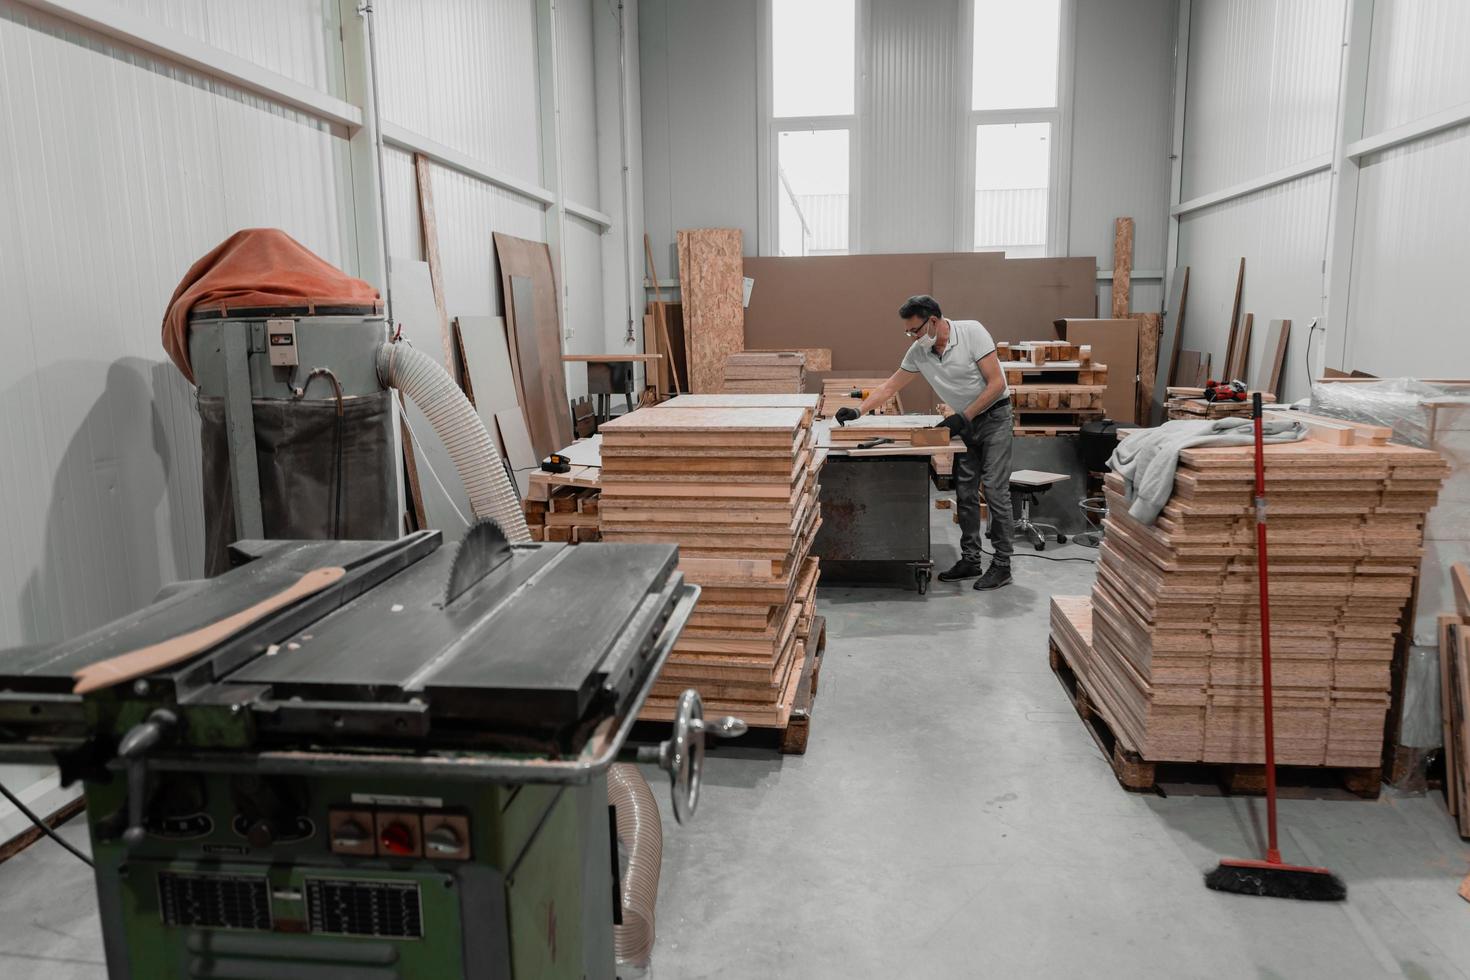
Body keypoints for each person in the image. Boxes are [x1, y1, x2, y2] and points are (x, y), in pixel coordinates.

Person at [834, 295, 1015, 590]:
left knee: (995, 490)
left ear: (932, 321)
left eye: (915, 330)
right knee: (966, 493)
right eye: (908, 331)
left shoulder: (972, 333)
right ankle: (971, 559)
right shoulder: (920, 351)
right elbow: (891, 386)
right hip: (966, 424)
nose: (912, 336)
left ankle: (1003, 565)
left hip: (995, 418)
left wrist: (963, 416)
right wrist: (858, 411)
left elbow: (997, 384)